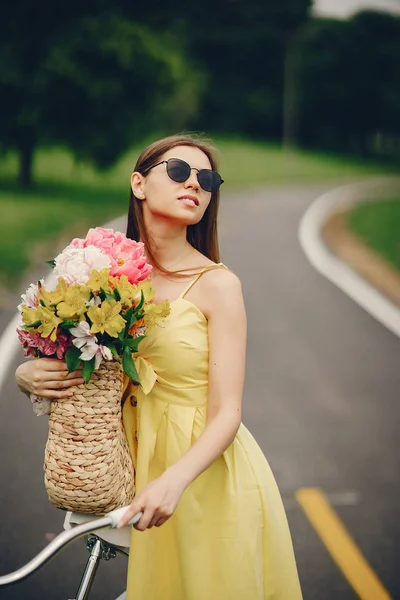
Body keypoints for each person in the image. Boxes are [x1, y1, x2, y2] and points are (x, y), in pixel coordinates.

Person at [15, 134, 303, 599]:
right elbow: (81, 368)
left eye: (207, 180)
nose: (195, 184)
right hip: (132, 471)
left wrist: (174, 482)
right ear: (139, 184)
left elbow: (228, 412)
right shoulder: (99, 276)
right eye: (178, 171)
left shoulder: (219, 286)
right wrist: (26, 377)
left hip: (202, 479)